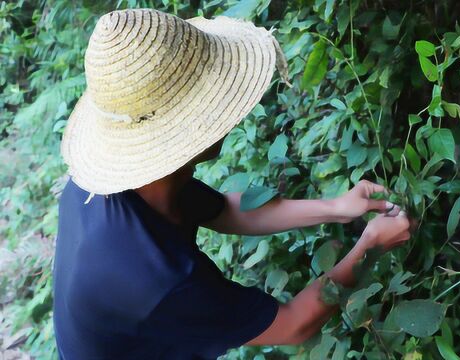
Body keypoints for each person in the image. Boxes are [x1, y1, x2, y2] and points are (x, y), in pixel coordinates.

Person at [53, 8, 413, 359]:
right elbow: (293, 327)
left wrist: (337, 208)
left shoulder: (130, 182)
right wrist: (370, 246)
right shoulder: (157, 282)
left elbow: (226, 211)